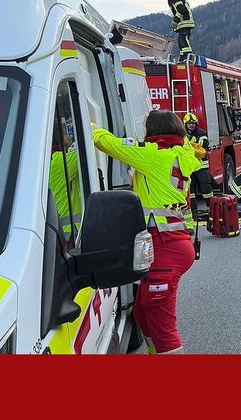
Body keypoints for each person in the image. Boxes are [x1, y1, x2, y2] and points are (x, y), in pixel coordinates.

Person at [92, 110, 201, 354]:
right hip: (174, 243)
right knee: (142, 313)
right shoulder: (182, 153)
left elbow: (105, 143)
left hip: (165, 247)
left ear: (153, 131)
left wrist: (86, 122)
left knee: (164, 327)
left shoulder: (154, 155)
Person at [183, 113, 212, 215]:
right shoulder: (182, 134)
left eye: (193, 123)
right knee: (190, 189)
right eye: (189, 123)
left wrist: (188, 144)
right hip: (189, 166)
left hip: (201, 166)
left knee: (206, 188)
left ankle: (211, 208)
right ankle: (194, 210)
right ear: (185, 124)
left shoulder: (201, 133)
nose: (191, 125)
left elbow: (202, 145)